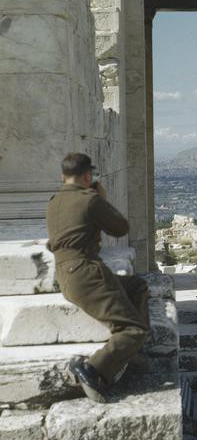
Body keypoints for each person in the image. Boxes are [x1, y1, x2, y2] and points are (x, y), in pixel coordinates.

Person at [46, 153, 150, 403]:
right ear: (87, 176)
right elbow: (120, 227)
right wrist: (101, 198)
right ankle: (92, 369)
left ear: (63, 176)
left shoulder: (53, 201)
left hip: (66, 274)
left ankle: (131, 353)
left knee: (137, 285)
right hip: (86, 273)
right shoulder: (89, 200)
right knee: (134, 329)